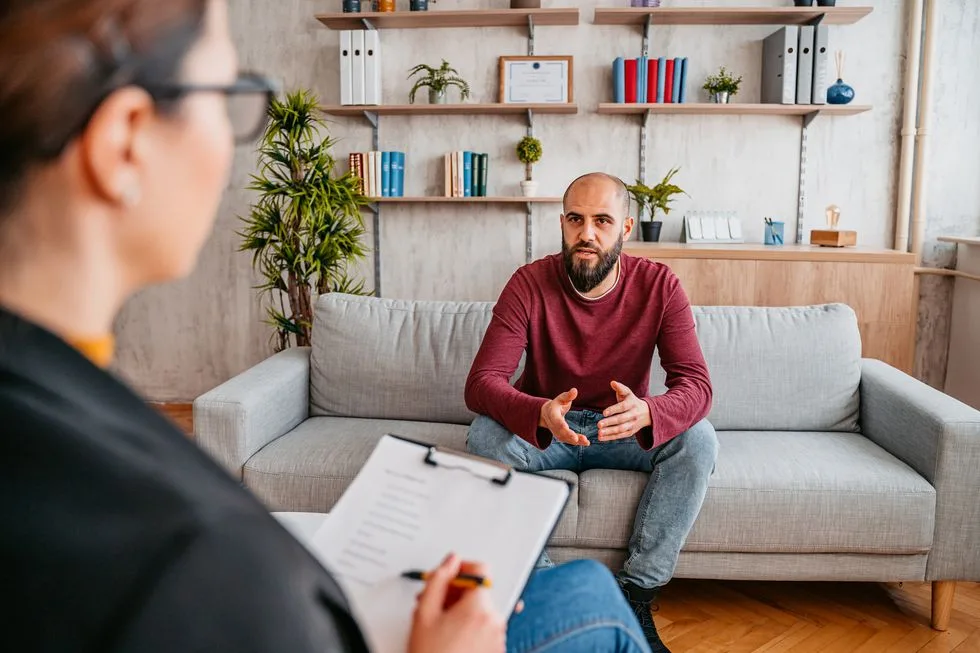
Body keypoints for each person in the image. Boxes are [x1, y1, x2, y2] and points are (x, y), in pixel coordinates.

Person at [0, 2, 652, 652]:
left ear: (623, 227)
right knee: (591, 595)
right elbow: (482, 384)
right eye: (227, 95)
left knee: (597, 577)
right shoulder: (192, 552)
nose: (233, 142)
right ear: (126, 139)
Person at [465, 172, 719, 653]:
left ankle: (636, 593)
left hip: (621, 430)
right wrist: (539, 412)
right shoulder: (528, 283)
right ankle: (545, 589)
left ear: (625, 228)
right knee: (484, 437)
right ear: (562, 224)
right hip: (548, 430)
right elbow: (481, 385)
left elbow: (698, 386)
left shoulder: (660, 286)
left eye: (602, 220)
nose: (588, 233)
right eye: (576, 220)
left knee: (699, 440)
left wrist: (649, 412)